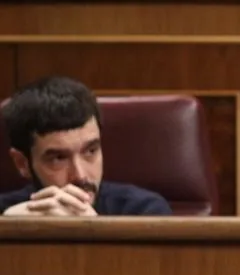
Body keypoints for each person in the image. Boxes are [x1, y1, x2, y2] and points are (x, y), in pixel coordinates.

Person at [0, 76, 171, 216]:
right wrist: (10, 235)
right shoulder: (7, 213)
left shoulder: (145, 211)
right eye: (58, 158)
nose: (80, 176)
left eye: (90, 151)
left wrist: (92, 231)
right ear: (22, 163)